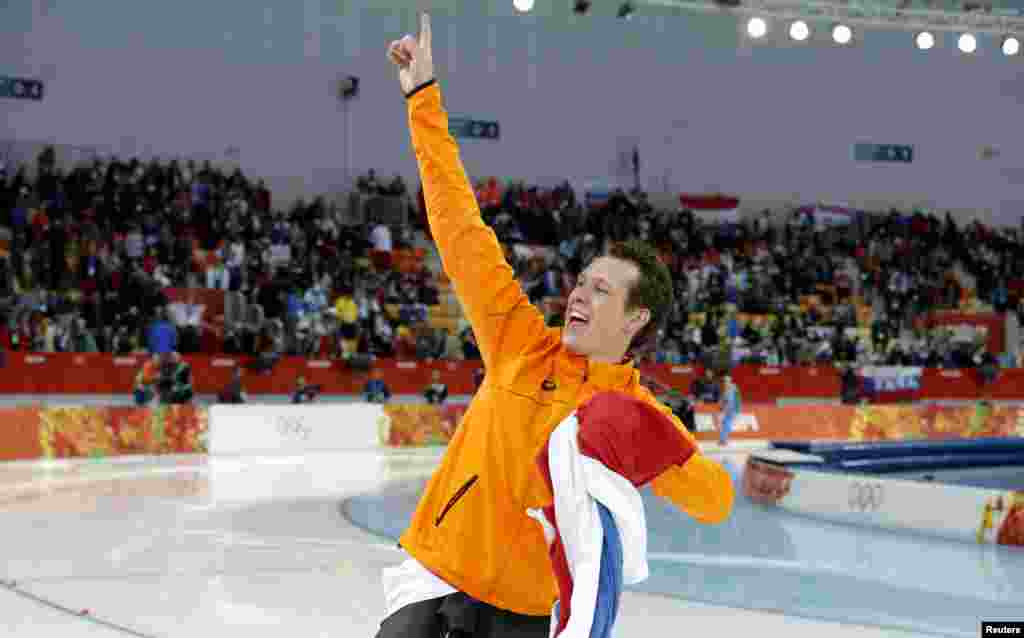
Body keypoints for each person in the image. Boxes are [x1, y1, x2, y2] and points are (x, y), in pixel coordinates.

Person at [378, 15, 734, 638]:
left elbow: (715, 502)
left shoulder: (631, 411)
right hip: (435, 577)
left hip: (526, 612)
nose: (578, 295)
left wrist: (657, 438)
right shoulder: (518, 339)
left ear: (637, 317)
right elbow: (459, 227)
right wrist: (422, 99)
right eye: (580, 282)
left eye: (602, 290)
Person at [719, 375, 742, 446]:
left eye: (726, 381)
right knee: (725, 424)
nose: (724, 382)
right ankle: (723, 439)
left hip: (732, 409)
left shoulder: (733, 387)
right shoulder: (726, 389)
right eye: (724, 381)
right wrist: (722, 406)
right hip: (728, 409)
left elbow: (736, 398)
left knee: (726, 424)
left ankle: (723, 440)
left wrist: (738, 408)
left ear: (730, 381)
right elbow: (724, 399)